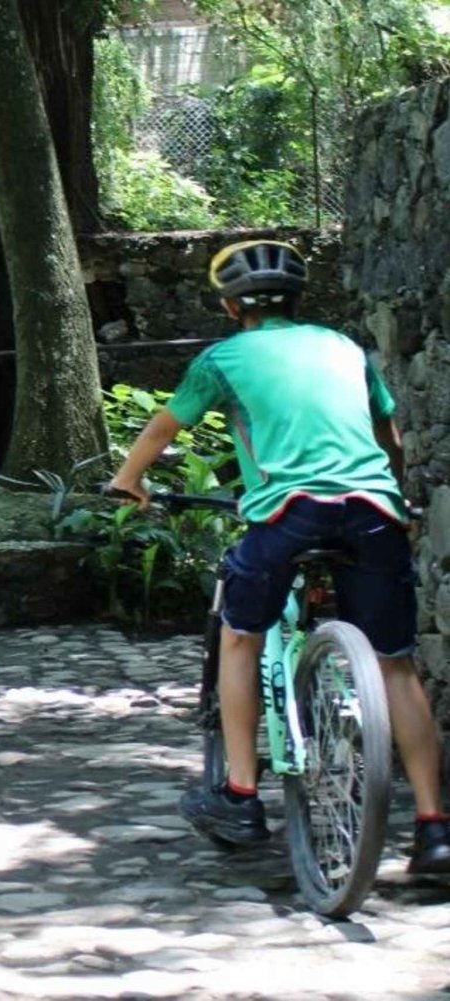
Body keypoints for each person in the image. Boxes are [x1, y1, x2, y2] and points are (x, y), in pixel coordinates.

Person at [107, 239, 450, 874]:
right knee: (395, 664)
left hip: (289, 512)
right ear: (298, 299)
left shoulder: (224, 357)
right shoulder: (343, 347)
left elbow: (162, 428)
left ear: (230, 304)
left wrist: (129, 481)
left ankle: (239, 794)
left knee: (242, 635)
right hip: (371, 510)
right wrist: (392, 494)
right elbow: (387, 434)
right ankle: (435, 831)